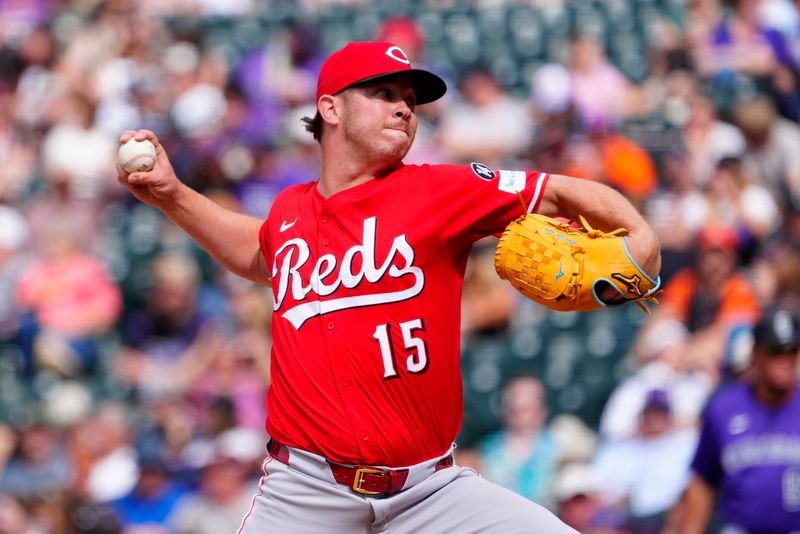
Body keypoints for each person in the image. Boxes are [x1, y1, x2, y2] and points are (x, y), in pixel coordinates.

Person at [117, 40, 660, 534]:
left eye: (409, 99)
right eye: (383, 93)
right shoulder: (289, 213)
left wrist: (640, 237)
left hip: (431, 491)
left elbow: (559, 191)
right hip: (305, 493)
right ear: (330, 108)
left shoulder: (440, 190)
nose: (404, 107)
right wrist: (171, 195)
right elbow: (259, 252)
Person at [679, 306, 800, 533]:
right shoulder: (724, 409)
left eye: (792, 351)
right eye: (776, 351)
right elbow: (702, 481)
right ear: (756, 354)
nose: (786, 360)